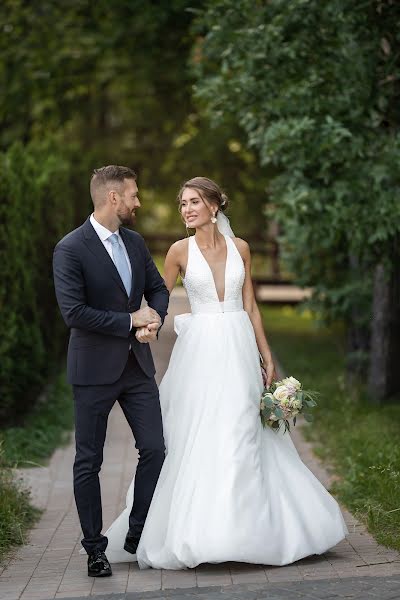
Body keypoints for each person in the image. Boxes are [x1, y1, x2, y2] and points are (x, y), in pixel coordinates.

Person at [104, 176, 348, 569]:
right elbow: (159, 299)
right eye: (182, 203)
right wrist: (146, 324)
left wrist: (266, 354)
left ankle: (251, 530)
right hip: (199, 354)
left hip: (237, 345)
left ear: (214, 206)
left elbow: (250, 305)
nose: (186, 209)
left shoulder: (241, 248)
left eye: (194, 202)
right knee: (196, 433)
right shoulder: (178, 251)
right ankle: (199, 532)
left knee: (243, 430)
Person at [53, 165, 169, 577]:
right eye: (134, 195)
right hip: (92, 370)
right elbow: (75, 313)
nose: (138, 202)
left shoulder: (135, 243)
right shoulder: (70, 248)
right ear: (113, 198)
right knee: (89, 461)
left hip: (137, 368)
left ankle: (136, 532)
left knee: (155, 448)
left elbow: (157, 288)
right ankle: (94, 549)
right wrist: (129, 322)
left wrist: (153, 317)